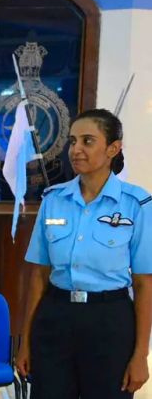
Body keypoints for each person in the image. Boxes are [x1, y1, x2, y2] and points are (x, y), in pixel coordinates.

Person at [16, 108, 152, 398]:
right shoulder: (54, 200)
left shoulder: (135, 204)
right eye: (72, 141)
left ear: (113, 148)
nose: (75, 149)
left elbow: (143, 283)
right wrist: (25, 342)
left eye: (87, 141)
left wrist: (141, 354)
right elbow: (39, 276)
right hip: (56, 317)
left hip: (109, 320)